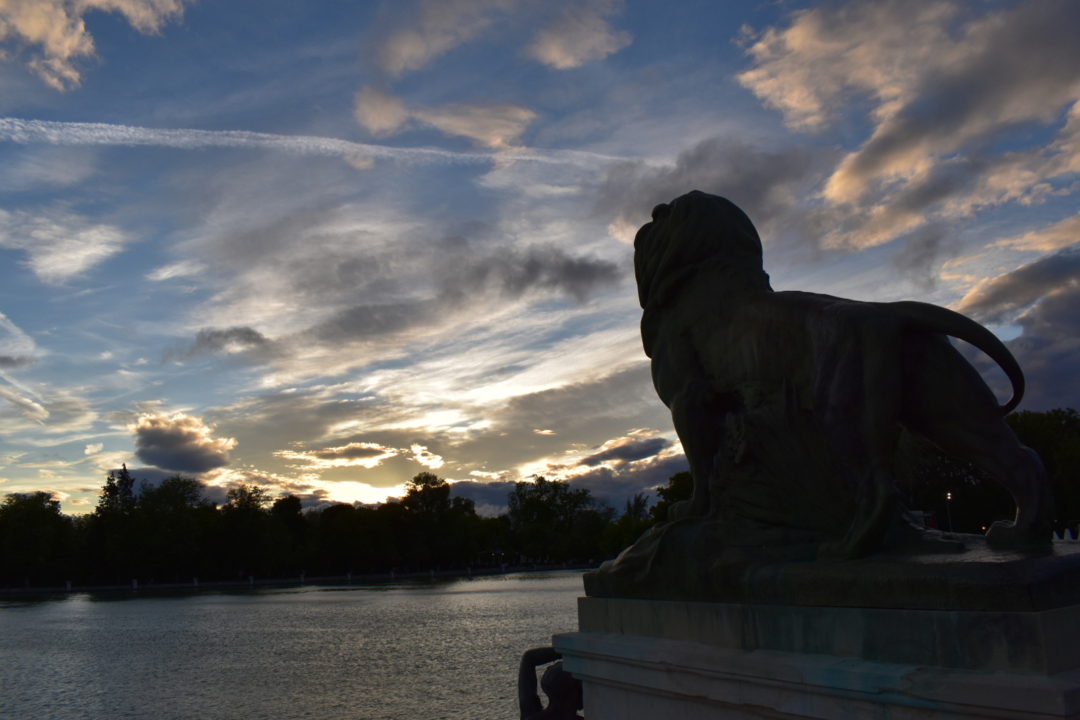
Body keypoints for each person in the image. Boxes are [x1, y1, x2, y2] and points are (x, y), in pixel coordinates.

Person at [518, 646, 584, 719]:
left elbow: (529, 658)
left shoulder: (530, 716)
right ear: (574, 694)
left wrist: (570, 651)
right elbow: (529, 658)